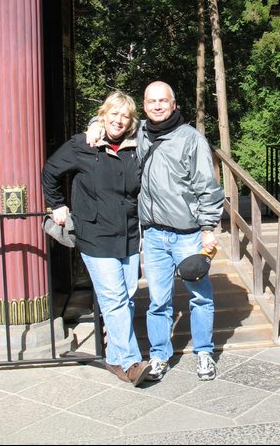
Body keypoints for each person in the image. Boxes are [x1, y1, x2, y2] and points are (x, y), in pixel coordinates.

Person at [87, 80, 224, 381]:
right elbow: (113, 121)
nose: (157, 106)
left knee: (200, 296)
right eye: (151, 101)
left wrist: (209, 227)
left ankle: (204, 352)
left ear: (174, 104)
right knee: (159, 301)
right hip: (153, 235)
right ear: (145, 106)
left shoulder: (191, 139)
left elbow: (208, 187)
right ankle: (160, 355)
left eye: (163, 100)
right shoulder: (140, 134)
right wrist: (94, 125)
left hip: (187, 233)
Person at [42, 90, 151, 386]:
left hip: (128, 234)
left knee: (126, 298)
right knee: (114, 298)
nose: (118, 120)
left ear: (130, 122)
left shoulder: (136, 146)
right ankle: (131, 362)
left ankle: (115, 358)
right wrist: (58, 204)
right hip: (95, 233)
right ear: (103, 115)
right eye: (113, 114)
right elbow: (50, 171)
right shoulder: (83, 144)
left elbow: (155, 127)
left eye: (124, 116)